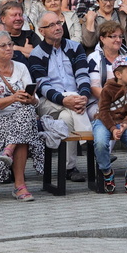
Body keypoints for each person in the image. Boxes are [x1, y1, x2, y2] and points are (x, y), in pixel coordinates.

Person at [0, 30, 45, 201]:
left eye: (10, 44)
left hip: (19, 119)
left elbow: (36, 100)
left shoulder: (21, 67)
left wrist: (30, 99)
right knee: (23, 128)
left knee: (26, 111)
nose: (9, 48)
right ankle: (19, 186)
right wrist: (13, 98)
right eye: (3, 45)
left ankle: (9, 150)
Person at [28, 10, 92, 182]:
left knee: (66, 118)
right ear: (41, 31)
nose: (57, 27)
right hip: (48, 102)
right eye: (51, 25)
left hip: (75, 102)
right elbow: (43, 87)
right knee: (69, 103)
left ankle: (68, 168)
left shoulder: (74, 47)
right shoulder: (36, 54)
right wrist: (65, 99)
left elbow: (83, 76)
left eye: (59, 23)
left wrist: (84, 97)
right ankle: (92, 145)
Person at [94, 52, 127, 194]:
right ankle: (107, 172)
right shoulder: (108, 89)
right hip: (104, 122)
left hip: (123, 123)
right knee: (100, 142)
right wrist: (112, 128)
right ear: (118, 74)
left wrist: (126, 124)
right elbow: (103, 111)